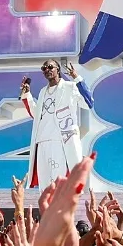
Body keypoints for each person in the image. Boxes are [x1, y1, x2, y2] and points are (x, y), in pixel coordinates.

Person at [20, 59, 94, 191]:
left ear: (57, 69)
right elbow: (37, 115)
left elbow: (88, 103)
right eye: (44, 68)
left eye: (50, 67)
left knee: (58, 182)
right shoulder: (43, 91)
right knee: (44, 187)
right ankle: (45, 212)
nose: (47, 70)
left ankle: (61, 210)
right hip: (42, 141)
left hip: (59, 140)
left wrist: (77, 78)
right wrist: (27, 94)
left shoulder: (70, 87)